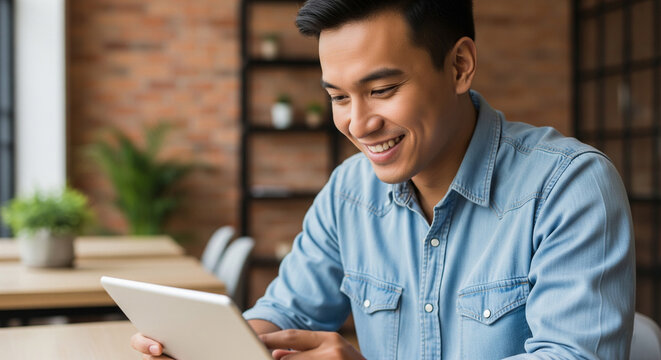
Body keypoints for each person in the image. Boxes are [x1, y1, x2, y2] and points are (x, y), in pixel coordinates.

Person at [131, 0, 635, 359]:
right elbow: (289, 314)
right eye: (338, 97)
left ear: (460, 65)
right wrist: (207, 347)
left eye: (383, 89)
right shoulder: (349, 192)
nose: (358, 123)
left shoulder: (568, 188)